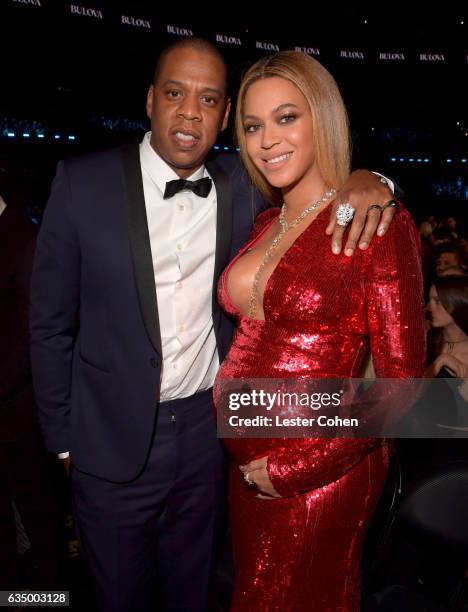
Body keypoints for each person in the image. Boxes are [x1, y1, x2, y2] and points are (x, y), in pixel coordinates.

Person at [31, 38, 399, 612]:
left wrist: (375, 180)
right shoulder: (82, 182)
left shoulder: (244, 184)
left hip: (211, 441)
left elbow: (411, 396)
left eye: (208, 100)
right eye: (175, 93)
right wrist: (62, 441)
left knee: (194, 589)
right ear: (150, 100)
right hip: (109, 440)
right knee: (119, 596)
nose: (189, 112)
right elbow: (49, 324)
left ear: (222, 116)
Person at [214, 51, 426, 611]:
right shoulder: (265, 221)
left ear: (322, 119)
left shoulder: (376, 223)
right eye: (253, 126)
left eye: (287, 118)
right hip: (246, 470)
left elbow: (404, 391)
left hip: (321, 472)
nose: (267, 140)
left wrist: (291, 469)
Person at [0, 189, 60, 590]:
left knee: (40, 518)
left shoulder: (26, 241)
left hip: (21, 412)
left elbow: (36, 337)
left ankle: (49, 597)